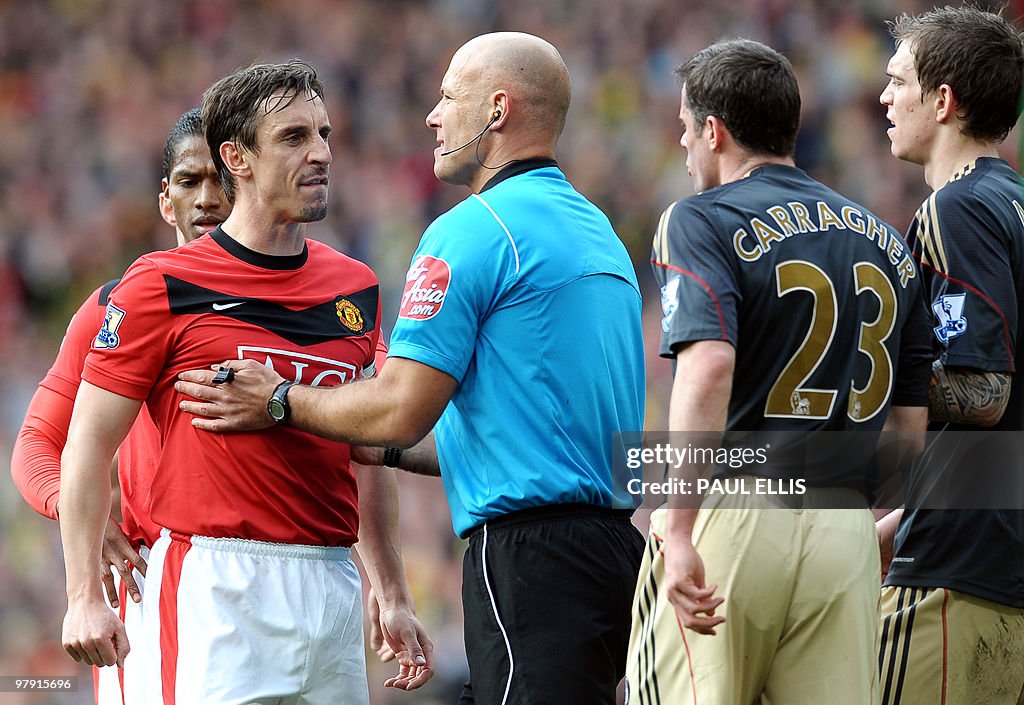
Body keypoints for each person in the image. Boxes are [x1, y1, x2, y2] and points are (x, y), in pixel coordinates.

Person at [175, 32, 647, 705]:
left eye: (450, 96)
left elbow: (400, 405)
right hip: (609, 554)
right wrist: (379, 447)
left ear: (497, 110)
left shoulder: (471, 229)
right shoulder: (598, 231)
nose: (433, 114)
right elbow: (529, 430)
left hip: (527, 558)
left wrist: (280, 399)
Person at [57, 60, 432, 704]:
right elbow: (86, 444)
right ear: (238, 158)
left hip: (332, 582)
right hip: (216, 584)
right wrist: (83, 598)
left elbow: (368, 454)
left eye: (324, 133)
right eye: (293, 138)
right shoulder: (159, 284)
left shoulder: (355, 285)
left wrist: (391, 592)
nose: (320, 153)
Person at [627, 39, 931, 705]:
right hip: (846, 526)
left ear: (714, 131)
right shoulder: (884, 238)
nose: (682, 147)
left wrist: (677, 528)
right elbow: (910, 426)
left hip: (735, 511)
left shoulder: (699, 218)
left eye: (684, 128)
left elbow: (707, 368)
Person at [10, 107, 231, 705]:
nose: (208, 199)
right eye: (190, 181)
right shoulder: (113, 307)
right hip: (155, 584)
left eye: (223, 179)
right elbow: (35, 445)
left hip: (287, 585)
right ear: (165, 200)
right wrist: (75, 513)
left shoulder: (316, 295)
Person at [876, 7, 1024, 704]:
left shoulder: (955, 210)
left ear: (943, 101)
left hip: (959, 573)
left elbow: (986, 392)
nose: (884, 97)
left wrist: (867, 378)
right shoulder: (1014, 203)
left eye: (898, 80)